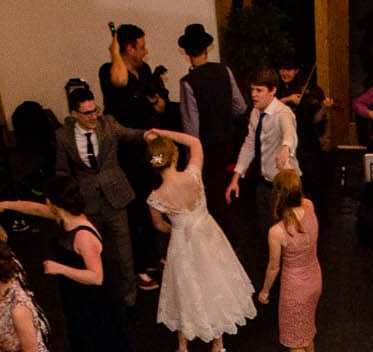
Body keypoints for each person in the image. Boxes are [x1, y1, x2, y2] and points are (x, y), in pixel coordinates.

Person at [0, 180, 142, 352]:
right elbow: (32, 208)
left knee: (102, 340)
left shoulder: (84, 234)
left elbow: (96, 277)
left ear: (54, 203)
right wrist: (0, 205)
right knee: (86, 340)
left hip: (96, 299)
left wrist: (60, 268)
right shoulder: (63, 219)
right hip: (77, 295)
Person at [146, 129, 258, 352]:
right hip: (208, 234)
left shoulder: (156, 197)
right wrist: (160, 132)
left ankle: (182, 347)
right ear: (174, 157)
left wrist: (176, 228)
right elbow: (195, 142)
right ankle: (219, 345)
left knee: (184, 287)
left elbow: (158, 225)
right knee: (212, 280)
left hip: (182, 242)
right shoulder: (193, 175)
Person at [50, 81, 147, 308]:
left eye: (95, 110)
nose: (93, 116)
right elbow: (62, 171)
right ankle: (103, 296)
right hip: (87, 203)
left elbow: (132, 134)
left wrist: (151, 135)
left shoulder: (108, 125)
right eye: (87, 113)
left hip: (115, 198)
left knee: (124, 252)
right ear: (74, 114)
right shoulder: (63, 137)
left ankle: (129, 298)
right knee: (94, 254)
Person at [101, 22, 177, 289]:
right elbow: (119, 80)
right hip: (128, 153)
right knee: (137, 207)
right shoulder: (110, 71)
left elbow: (163, 105)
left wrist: (154, 99)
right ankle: (143, 264)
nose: (146, 52)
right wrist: (114, 51)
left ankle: (157, 255)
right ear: (129, 48)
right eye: (141, 46)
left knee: (156, 198)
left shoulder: (145, 71)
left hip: (151, 149)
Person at [257, 169, 324, 352]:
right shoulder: (311, 206)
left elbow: (273, 267)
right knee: (307, 326)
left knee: (294, 339)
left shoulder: (276, 231)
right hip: (315, 277)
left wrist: (265, 291)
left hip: (295, 286)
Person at [175, 23, 246, 218]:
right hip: (229, 144)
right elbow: (240, 107)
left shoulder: (188, 82)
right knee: (230, 190)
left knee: (214, 200)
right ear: (207, 48)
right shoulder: (225, 70)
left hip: (207, 150)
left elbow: (192, 130)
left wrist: (190, 162)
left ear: (186, 52)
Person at [228, 68, 300, 221]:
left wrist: (286, 148)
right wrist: (236, 177)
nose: (253, 94)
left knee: (285, 233)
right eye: (252, 89)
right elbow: (249, 144)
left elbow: (289, 132)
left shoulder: (283, 113)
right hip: (264, 183)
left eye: (259, 90)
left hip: (284, 186)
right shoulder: (255, 112)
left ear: (273, 90)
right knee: (266, 230)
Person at [275, 56, 332, 213]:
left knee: (312, 179)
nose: (285, 73)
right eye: (282, 69)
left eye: (289, 69)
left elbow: (316, 120)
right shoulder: (276, 88)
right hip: (282, 141)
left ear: (297, 71)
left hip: (305, 140)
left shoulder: (309, 89)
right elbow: (269, 108)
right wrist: (288, 99)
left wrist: (324, 108)